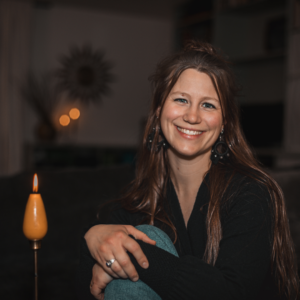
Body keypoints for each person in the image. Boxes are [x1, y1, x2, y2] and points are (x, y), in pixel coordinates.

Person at [77, 40, 299, 300]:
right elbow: (90, 282)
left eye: (208, 105)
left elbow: (232, 294)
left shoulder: (251, 194)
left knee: (142, 241)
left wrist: (133, 258)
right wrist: (93, 236)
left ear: (225, 121)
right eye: (181, 100)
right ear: (159, 111)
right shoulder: (139, 199)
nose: (192, 117)